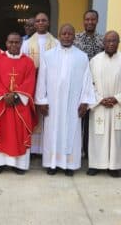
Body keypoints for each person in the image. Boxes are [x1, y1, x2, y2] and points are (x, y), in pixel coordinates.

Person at [35, 24, 95, 176]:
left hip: (73, 104)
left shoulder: (81, 57)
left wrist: (85, 101)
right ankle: (52, 164)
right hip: (53, 105)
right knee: (52, 132)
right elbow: (42, 79)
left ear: (74, 36)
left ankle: (70, 165)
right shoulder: (48, 55)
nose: (67, 36)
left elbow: (87, 81)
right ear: (59, 35)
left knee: (72, 132)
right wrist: (42, 101)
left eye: (70, 34)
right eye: (64, 33)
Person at [0, 32, 36, 175]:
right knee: (0, 131)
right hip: (1, 103)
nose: (14, 45)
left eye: (17, 42)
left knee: (19, 133)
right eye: (11, 42)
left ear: (21, 44)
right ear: (6, 43)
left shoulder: (28, 62)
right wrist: (5, 95)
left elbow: (30, 81)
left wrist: (15, 95)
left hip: (19, 103)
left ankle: (19, 165)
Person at [21, 12, 58, 155]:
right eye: (38, 21)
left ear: (48, 23)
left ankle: (45, 149)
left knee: (48, 116)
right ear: (34, 24)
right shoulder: (26, 44)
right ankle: (33, 149)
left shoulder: (56, 43)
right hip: (33, 85)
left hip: (51, 86)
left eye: (44, 20)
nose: (41, 23)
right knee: (33, 115)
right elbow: (23, 65)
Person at [88, 31, 121, 178]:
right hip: (99, 105)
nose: (111, 43)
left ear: (118, 43)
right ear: (103, 43)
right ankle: (96, 164)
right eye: (108, 41)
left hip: (117, 106)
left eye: (114, 41)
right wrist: (100, 99)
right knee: (97, 136)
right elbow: (88, 84)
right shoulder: (95, 60)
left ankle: (114, 166)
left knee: (116, 137)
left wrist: (116, 98)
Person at [74, 9, 104, 158]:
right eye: (87, 19)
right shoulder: (76, 39)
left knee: (92, 121)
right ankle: (76, 150)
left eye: (93, 19)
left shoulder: (102, 40)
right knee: (78, 118)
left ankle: (89, 150)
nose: (90, 22)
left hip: (97, 86)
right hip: (78, 85)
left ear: (97, 21)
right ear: (83, 21)